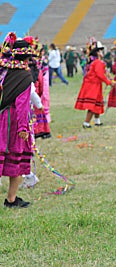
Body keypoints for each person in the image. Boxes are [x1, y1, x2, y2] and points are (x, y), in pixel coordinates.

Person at [0, 33, 34, 208]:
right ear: (26, 58)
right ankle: (11, 200)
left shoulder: (3, 71)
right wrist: (23, 128)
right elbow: (22, 105)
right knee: (16, 159)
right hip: (11, 122)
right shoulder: (24, 77)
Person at [74, 40, 115, 128]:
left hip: (94, 84)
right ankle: (86, 123)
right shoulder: (98, 63)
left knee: (98, 103)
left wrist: (109, 78)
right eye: (100, 51)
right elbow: (100, 74)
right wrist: (109, 82)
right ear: (97, 53)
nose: (102, 52)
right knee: (92, 104)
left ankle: (97, 121)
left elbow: (103, 72)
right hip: (93, 85)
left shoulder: (97, 62)